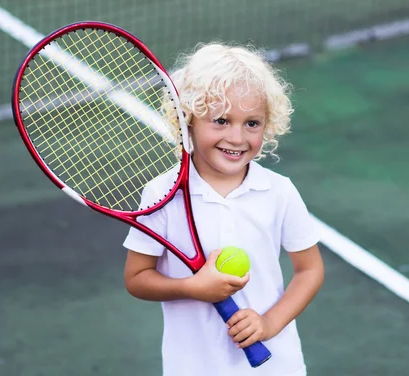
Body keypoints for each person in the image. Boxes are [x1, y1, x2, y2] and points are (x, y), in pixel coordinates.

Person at [123, 42, 324, 376]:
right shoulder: (162, 193)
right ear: (188, 120)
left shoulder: (278, 191)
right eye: (220, 120)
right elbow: (137, 278)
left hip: (277, 367)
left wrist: (268, 324)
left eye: (252, 123)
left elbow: (310, 270)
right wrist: (192, 288)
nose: (237, 137)